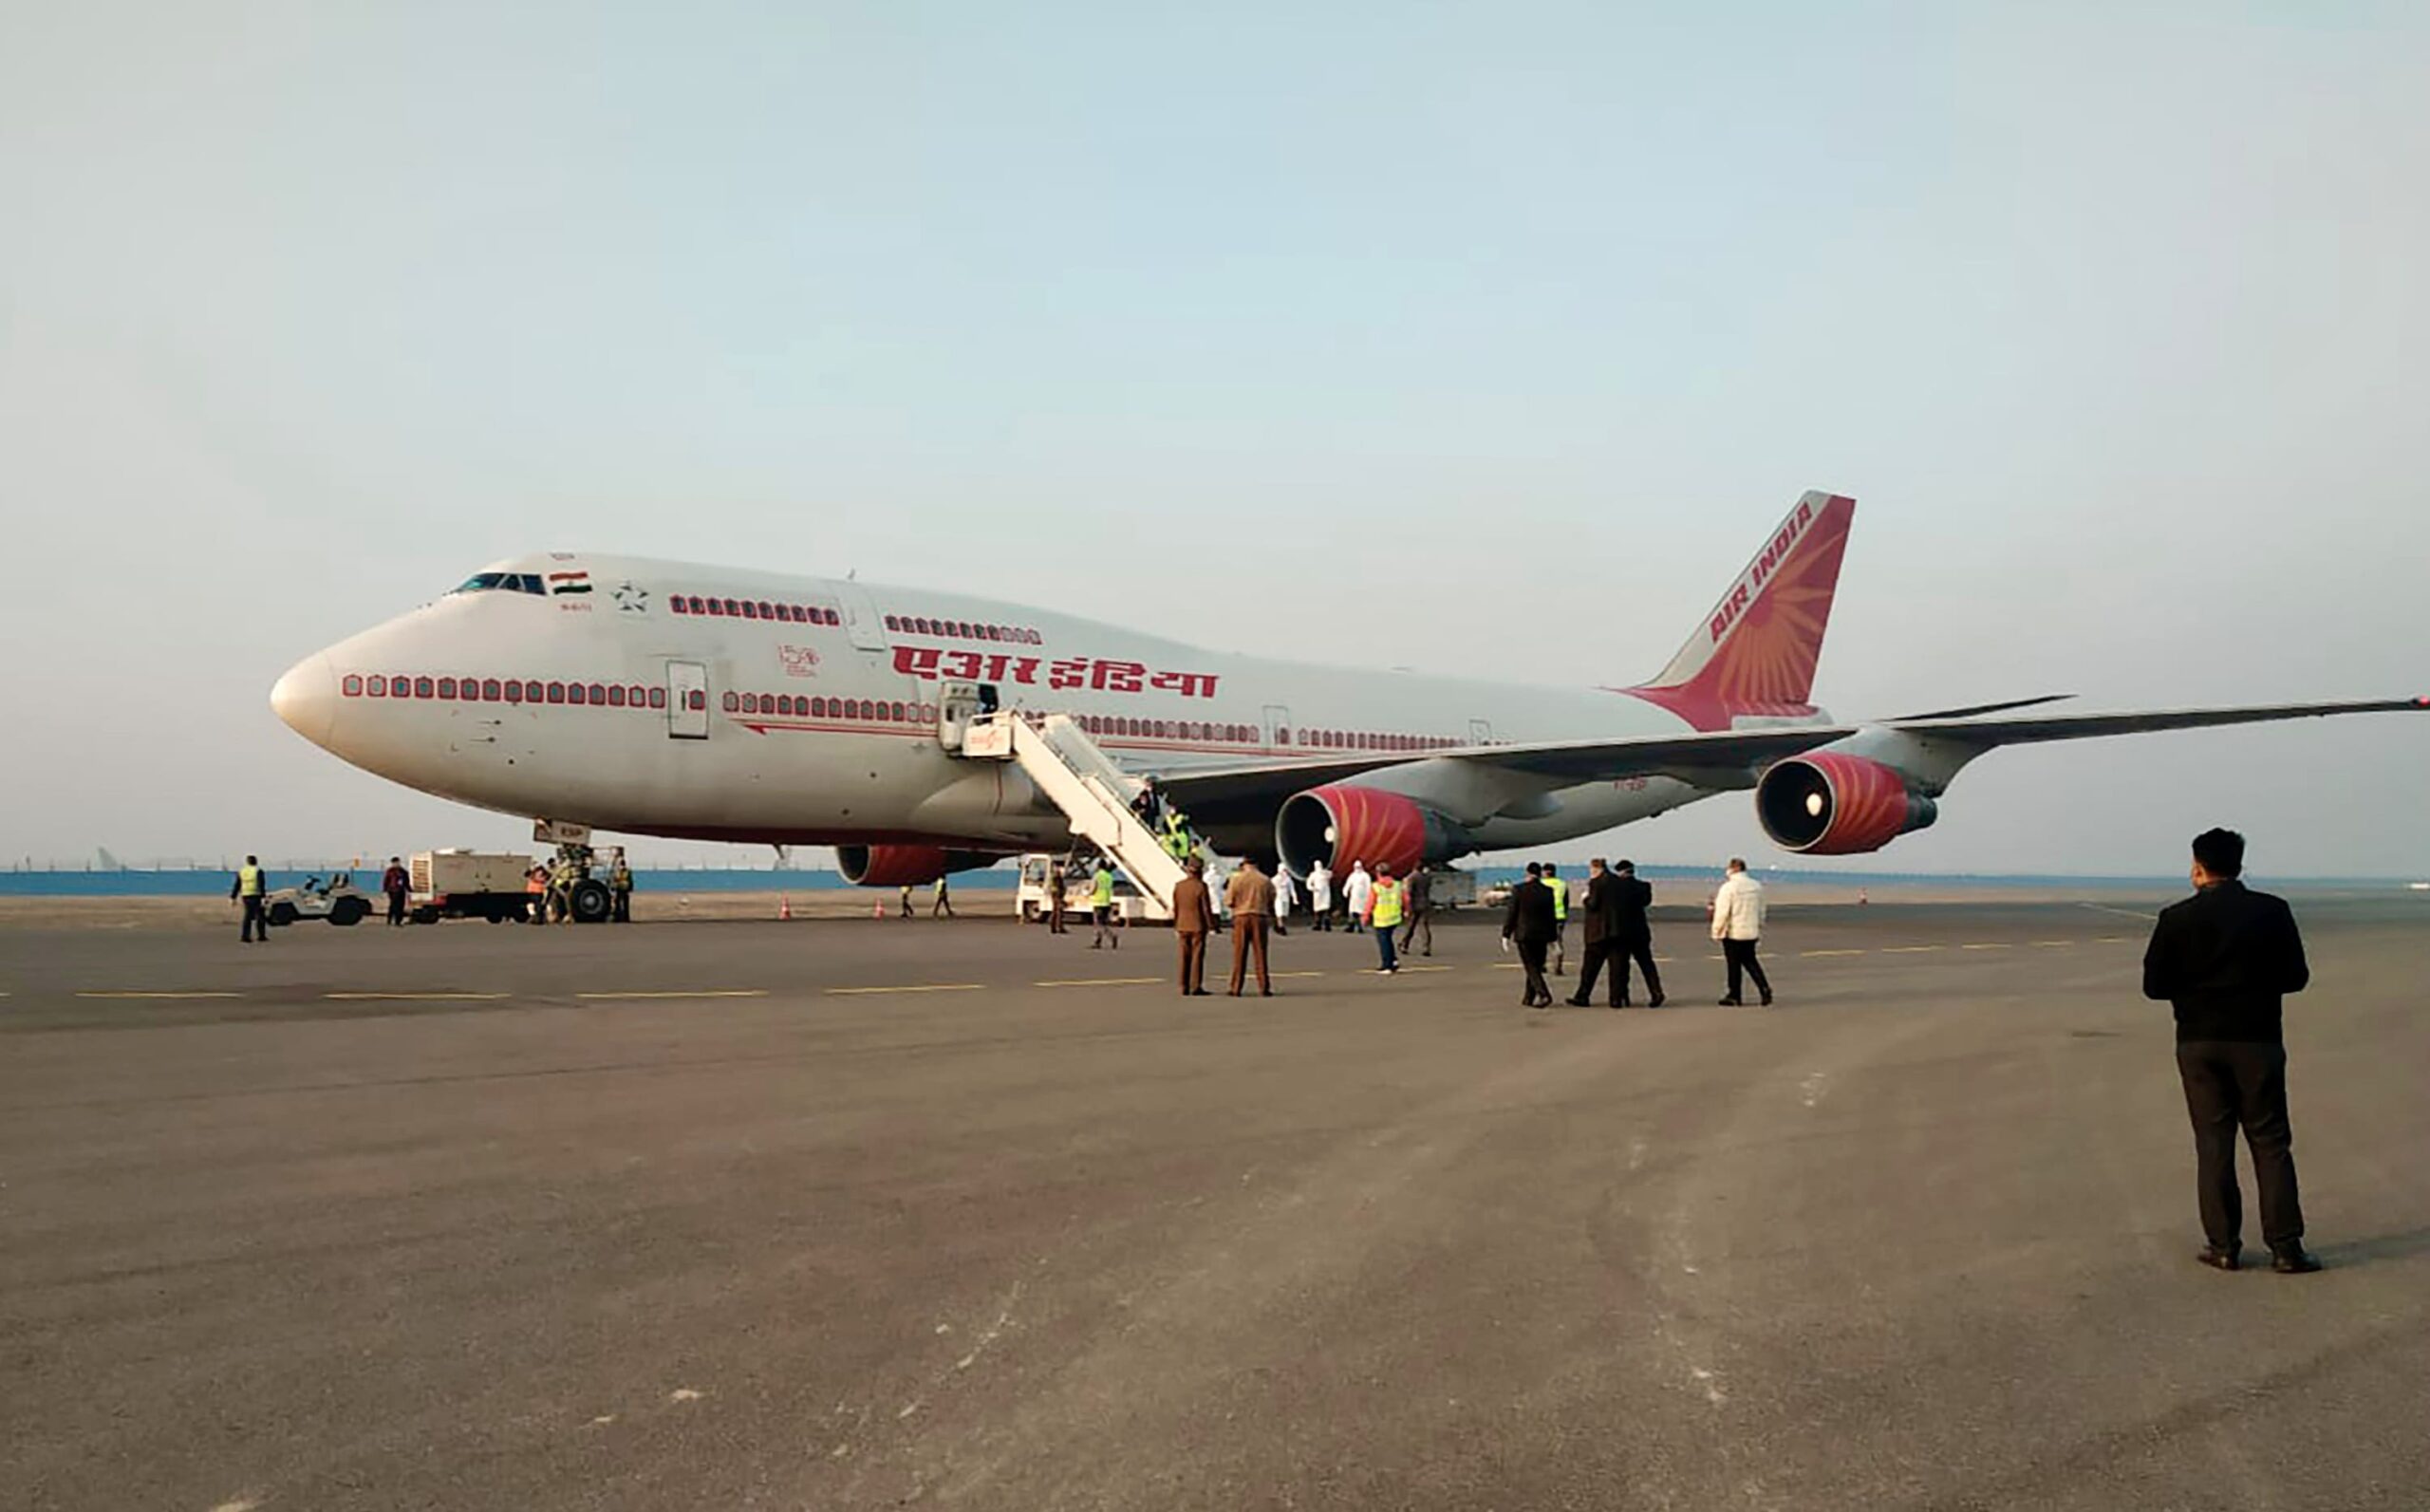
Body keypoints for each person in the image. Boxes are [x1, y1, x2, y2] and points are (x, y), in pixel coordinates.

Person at [2142, 829, 2319, 1275]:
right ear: (2239, 864)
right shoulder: (2272, 911)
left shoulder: (2175, 917)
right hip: (2257, 1038)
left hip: (2199, 1042)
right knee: (2271, 1141)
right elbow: (2296, 976)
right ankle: (2285, 1247)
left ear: (2198, 867)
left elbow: (2154, 986)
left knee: (2214, 1143)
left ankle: (2223, 1245)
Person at [1710, 858, 1771, 1005]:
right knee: (1751, 961)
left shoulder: (1729, 888)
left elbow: (1722, 912)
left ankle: (1734, 994)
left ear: (1733, 869)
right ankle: (1764, 988)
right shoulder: (1756, 886)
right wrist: (1759, 925)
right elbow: (1761, 909)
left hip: (1734, 931)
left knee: (1734, 965)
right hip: (1751, 931)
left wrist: (1717, 931)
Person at [1568, 858, 1625, 1008]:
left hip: (1598, 932)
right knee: (1616, 968)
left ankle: (1583, 996)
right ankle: (1616, 999)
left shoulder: (1596, 883)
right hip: (1617, 930)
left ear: (1595, 868)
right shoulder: (1619, 882)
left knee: (1590, 968)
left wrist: (1585, 899)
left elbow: (1593, 904)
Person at [1609, 860, 1664, 1007]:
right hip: (1640, 931)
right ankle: (1656, 992)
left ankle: (1620, 996)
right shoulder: (1643, 886)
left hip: (1620, 931)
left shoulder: (1614, 888)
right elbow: (1646, 902)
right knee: (1647, 964)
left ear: (1620, 871)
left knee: (1620, 966)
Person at [1503, 862, 1558, 1007]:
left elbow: (1512, 913)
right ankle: (1528, 998)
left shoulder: (1519, 890)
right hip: (1542, 935)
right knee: (1536, 966)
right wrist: (1553, 938)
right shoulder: (1547, 891)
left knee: (1531, 967)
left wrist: (1506, 934)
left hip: (1524, 934)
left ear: (1527, 873)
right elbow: (1551, 916)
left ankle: (1544, 994)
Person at [1224, 857, 1276, 996]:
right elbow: (1271, 900)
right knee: (1260, 954)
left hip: (1241, 917)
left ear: (1244, 865)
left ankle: (1236, 987)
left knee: (1239, 954)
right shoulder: (1265, 880)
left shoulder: (1236, 879)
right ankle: (1264, 987)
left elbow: (1228, 901)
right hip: (1259, 916)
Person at [1171, 855, 1216, 997]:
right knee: (1197, 956)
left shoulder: (1179, 886)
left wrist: (1176, 924)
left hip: (1182, 924)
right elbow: (1205, 908)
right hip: (1198, 925)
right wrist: (1211, 925)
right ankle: (1195, 985)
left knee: (1183, 956)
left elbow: (1176, 907)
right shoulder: (1201, 886)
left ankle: (1182, 985)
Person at [1369, 864, 1405, 973]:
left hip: (1381, 918)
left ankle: (1387, 965)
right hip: (1394, 917)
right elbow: (1405, 898)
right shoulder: (1398, 885)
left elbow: (1370, 903)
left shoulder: (1376, 886)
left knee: (1383, 942)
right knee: (1388, 939)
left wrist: (1365, 915)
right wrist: (1407, 910)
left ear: (1378, 873)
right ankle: (1393, 960)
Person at [230, 854, 271, 943]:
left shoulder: (242, 871)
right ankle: (261, 935)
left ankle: (245, 936)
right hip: (256, 894)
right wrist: (263, 897)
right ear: (256, 861)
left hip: (245, 894)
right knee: (260, 915)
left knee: (248, 915)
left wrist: (233, 897)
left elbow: (237, 884)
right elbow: (261, 884)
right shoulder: (258, 871)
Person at [1399, 867, 1435, 957]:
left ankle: (1404, 944)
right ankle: (1426, 947)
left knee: (1410, 926)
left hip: (1414, 904)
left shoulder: (1412, 877)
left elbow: (1409, 892)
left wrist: (1406, 906)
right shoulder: (1427, 877)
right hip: (1425, 903)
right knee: (1424, 927)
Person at [1543, 863, 1569, 976]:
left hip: (1543, 917)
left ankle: (1542, 965)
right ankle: (1558, 967)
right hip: (1559, 916)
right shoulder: (1562, 884)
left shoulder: (1541, 884)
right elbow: (1566, 902)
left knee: (1541, 943)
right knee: (1557, 942)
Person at [1090, 858, 1120, 949]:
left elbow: (1093, 889)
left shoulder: (1097, 876)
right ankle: (1098, 941)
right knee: (1103, 922)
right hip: (1107, 901)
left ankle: (1111, 936)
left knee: (1098, 923)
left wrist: (1088, 893)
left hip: (1098, 901)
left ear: (1098, 866)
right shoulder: (1109, 876)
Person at [1344, 860, 1373, 934]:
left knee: (1361, 912)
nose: (1357, 868)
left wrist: (1368, 896)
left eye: (1359, 867)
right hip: (1354, 896)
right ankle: (1351, 926)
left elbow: (1368, 886)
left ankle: (1361, 927)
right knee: (1352, 911)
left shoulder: (1365, 876)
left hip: (1363, 897)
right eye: (1356, 867)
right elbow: (1348, 884)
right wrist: (1345, 891)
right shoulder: (1352, 875)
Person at [381, 855, 410, 927]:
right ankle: (389, 919)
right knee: (393, 905)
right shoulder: (390, 871)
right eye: (395, 863)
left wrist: (409, 889)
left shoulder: (403, 871)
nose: (396, 864)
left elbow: (406, 881)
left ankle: (398, 921)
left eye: (397, 862)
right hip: (392, 890)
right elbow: (386, 880)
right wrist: (385, 889)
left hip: (401, 890)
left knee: (401, 906)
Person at [1044, 855, 1070, 934]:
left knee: (1056, 911)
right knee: (1058, 912)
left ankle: (1055, 928)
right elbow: (1059, 886)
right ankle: (1058, 927)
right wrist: (1061, 894)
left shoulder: (1054, 875)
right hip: (1057, 894)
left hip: (1055, 894)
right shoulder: (1056, 876)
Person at [1307, 860, 1335, 931]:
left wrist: (1325, 872)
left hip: (1325, 893)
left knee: (1325, 909)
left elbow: (1331, 874)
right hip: (1317, 894)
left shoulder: (1325, 873)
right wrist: (1313, 889)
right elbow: (1308, 884)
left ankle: (1326, 925)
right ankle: (1318, 924)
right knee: (1318, 910)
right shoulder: (1313, 875)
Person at [1271, 865, 1299, 934]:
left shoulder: (1288, 879)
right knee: (1279, 913)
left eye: (1285, 870)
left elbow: (1292, 890)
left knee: (1285, 914)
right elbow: (1270, 889)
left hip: (1286, 898)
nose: (1285, 872)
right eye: (1283, 870)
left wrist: (1295, 898)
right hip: (1278, 898)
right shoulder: (1274, 879)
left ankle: (1278, 925)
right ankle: (1281, 927)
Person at [609, 852, 635, 923]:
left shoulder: (623, 871)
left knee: (623, 904)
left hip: (623, 889)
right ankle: (620, 918)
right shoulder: (621, 871)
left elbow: (629, 880)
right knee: (619, 904)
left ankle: (624, 918)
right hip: (620, 889)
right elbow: (615, 879)